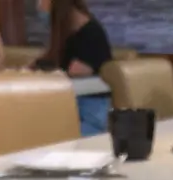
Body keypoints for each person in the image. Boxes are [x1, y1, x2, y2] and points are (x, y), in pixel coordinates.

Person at [32, 0, 114, 136]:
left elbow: (72, 73)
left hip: (90, 118)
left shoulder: (91, 34)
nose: (39, 6)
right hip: (71, 113)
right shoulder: (67, 35)